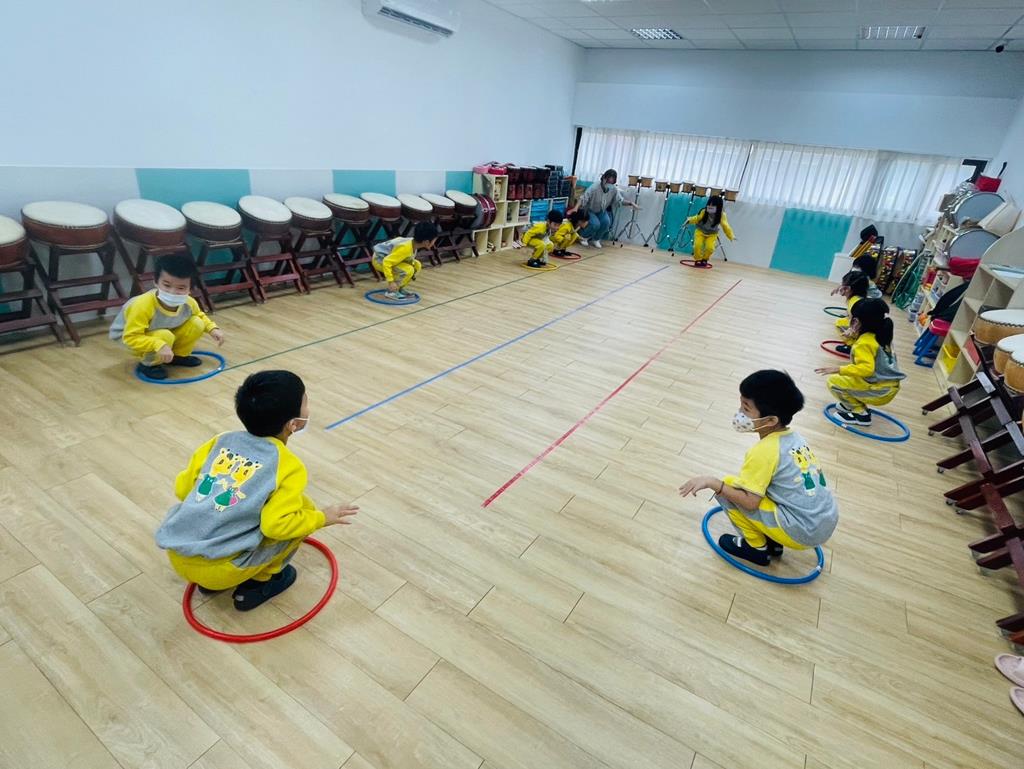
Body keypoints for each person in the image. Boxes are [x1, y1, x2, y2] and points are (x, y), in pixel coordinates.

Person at [155, 370, 359, 611]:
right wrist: (322, 518)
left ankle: (210, 583)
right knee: (303, 514)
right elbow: (276, 526)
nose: (308, 406)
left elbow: (183, 489)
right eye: (305, 401)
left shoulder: (221, 440)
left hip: (178, 554)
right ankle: (261, 583)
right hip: (224, 569)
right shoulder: (288, 465)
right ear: (293, 424)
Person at [679, 370, 838, 566]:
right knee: (758, 487)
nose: (739, 413)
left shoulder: (764, 451)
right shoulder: (795, 438)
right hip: (824, 521)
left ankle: (756, 548)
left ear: (771, 420)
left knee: (728, 486)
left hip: (803, 530)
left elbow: (750, 503)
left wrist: (712, 483)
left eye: (746, 408)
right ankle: (774, 542)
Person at [108, 253, 224, 381]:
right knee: (164, 336)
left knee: (196, 323)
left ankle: (178, 356)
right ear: (156, 282)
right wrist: (159, 344)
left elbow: (199, 315)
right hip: (129, 338)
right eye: (167, 285)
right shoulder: (141, 305)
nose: (173, 292)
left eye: (181, 288)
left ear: (190, 289)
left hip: (161, 330)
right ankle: (150, 364)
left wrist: (212, 328)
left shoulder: (189, 302)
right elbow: (130, 337)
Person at [816, 298, 906, 426]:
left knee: (833, 382)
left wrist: (838, 369)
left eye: (851, 318)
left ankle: (861, 414)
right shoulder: (881, 336)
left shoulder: (864, 343)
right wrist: (853, 335)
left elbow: (866, 369)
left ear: (856, 322)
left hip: (879, 390)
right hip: (887, 386)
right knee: (847, 380)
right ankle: (851, 403)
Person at [568, 168, 638, 249]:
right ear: (604, 178)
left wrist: (631, 203)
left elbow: (620, 200)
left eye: (612, 183)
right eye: (608, 181)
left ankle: (596, 239)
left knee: (606, 222)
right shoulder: (594, 187)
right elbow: (583, 198)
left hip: (601, 210)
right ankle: (583, 237)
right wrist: (575, 208)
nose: (609, 184)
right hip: (590, 209)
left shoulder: (613, 189)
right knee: (595, 224)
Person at [373, 222, 439, 300]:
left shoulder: (413, 243)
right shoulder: (405, 248)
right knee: (408, 270)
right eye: (434, 241)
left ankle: (399, 288)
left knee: (417, 265)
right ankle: (392, 292)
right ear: (426, 242)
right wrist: (391, 281)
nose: (434, 243)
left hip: (388, 257)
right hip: (379, 260)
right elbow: (386, 262)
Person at [685, 194, 735, 267]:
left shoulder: (721, 215)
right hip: (700, 231)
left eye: (713, 206)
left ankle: (705, 259)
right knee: (697, 245)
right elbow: (697, 218)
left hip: (712, 234)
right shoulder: (704, 211)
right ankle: (698, 259)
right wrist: (689, 220)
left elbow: (725, 226)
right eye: (709, 205)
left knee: (710, 248)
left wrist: (731, 236)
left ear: (718, 207)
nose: (710, 207)